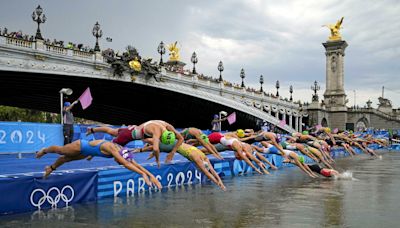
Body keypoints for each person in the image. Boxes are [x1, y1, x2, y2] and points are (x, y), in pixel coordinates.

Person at [35, 139, 162, 189]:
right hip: (81, 145)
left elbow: (135, 164)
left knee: (66, 159)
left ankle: (50, 168)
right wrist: (142, 175)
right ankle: (44, 150)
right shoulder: (114, 149)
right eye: (119, 162)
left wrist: (151, 176)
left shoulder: (123, 151)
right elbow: (126, 164)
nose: (118, 163)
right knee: (61, 151)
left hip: (88, 152)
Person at [136, 141, 226, 191]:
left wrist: (220, 182)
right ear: (200, 166)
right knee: (155, 147)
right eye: (200, 168)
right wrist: (217, 183)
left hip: (177, 142)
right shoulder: (197, 159)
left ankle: (146, 145)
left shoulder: (204, 157)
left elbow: (212, 171)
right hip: (174, 146)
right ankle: (139, 149)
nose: (199, 168)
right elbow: (207, 173)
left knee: (155, 145)